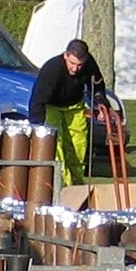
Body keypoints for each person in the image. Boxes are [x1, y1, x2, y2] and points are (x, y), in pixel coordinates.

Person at [29, 38, 109, 184]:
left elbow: (97, 84)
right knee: (56, 147)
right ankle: (63, 186)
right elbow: (38, 100)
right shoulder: (52, 70)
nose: (75, 69)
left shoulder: (89, 63)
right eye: (72, 63)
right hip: (52, 107)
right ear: (65, 55)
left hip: (75, 106)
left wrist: (101, 104)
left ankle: (78, 184)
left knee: (78, 146)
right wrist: (37, 125)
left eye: (79, 65)